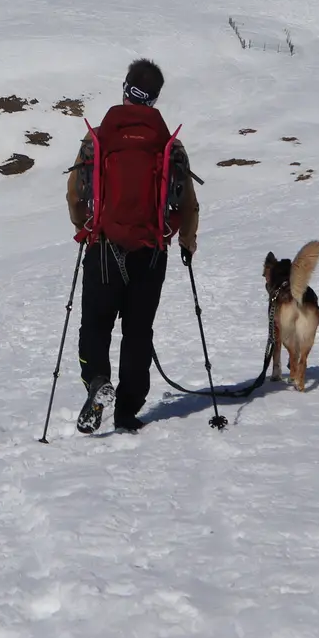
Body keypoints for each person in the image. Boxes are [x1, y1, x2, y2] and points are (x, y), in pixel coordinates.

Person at [65, 58, 199, 433]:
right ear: (154, 98)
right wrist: (187, 241)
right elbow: (187, 202)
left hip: (104, 247)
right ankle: (127, 409)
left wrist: (84, 228)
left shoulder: (98, 139)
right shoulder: (168, 144)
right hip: (151, 252)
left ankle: (96, 382)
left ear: (125, 89)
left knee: (95, 324)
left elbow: (75, 193)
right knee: (138, 331)